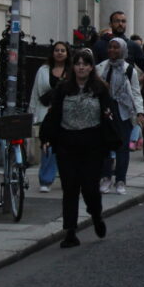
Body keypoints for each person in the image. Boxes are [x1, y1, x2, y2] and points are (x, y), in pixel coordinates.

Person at [42, 47, 112, 249]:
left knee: (90, 187)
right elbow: (53, 115)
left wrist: (110, 140)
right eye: (78, 63)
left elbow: (108, 115)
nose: (81, 67)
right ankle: (70, 232)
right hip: (67, 144)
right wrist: (46, 136)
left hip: (92, 145)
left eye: (85, 64)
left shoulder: (100, 89)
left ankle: (96, 215)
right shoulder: (63, 89)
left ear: (91, 67)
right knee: (70, 188)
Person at [95, 38, 144, 195]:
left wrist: (139, 112)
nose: (112, 50)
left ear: (122, 50)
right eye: (110, 47)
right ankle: (106, 177)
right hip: (104, 110)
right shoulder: (101, 67)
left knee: (123, 147)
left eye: (116, 47)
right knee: (105, 145)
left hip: (123, 111)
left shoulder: (129, 70)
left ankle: (121, 179)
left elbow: (136, 93)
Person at [28, 41, 71, 193]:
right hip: (46, 112)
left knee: (65, 146)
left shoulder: (71, 71)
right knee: (48, 146)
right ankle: (45, 179)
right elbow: (35, 92)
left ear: (67, 53)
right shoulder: (43, 70)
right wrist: (32, 113)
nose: (59, 53)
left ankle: (66, 175)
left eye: (63, 50)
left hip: (65, 113)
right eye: (57, 50)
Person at [91, 11, 144, 75]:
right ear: (110, 24)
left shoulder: (132, 45)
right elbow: (93, 69)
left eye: (123, 21)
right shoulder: (99, 45)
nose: (120, 24)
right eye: (117, 21)